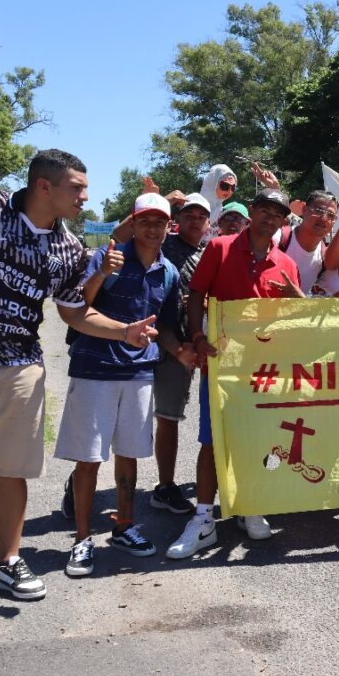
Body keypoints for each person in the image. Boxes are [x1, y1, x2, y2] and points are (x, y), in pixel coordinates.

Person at [0, 150, 158, 617]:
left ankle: (8, 561)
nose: (85, 197)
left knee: (13, 471)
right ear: (44, 185)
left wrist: (124, 331)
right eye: (77, 188)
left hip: (21, 370)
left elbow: (75, 312)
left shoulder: (68, 249)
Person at [165, 188, 305, 559]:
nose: (270, 218)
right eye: (265, 210)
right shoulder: (219, 247)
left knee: (258, 439)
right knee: (212, 440)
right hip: (221, 363)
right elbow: (197, 294)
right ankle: (203, 518)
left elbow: (296, 321)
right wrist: (197, 336)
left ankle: (249, 504)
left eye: (278, 214)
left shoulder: (286, 264)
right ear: (252, 211)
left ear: (283, 221)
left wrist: (299, 300)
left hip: (263, 369)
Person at [55, 194, 184, 577]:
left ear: (168, 227)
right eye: (145, 220)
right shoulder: (108, 257)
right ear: (134, 222)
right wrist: (100, 272)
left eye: (160, 222)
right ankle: (82, 539)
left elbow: (166, 326)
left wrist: (182, 352)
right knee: (89, 458)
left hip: (139, 372)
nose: (152, 228)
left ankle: (124, 526)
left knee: (129, 454)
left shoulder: (169, 272)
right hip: (95, 369)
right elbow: (79, 305)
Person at [144, 192, 212, 515]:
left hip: (191, 343)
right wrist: (159, 199)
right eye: (189, 215)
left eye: (201, 217)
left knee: (176, 416)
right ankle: (164, 486)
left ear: (208, 222)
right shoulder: (163, 243)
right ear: (177, 219)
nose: (195, 221)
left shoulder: (208, 252)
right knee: (148, 416)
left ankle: (171, 485)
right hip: (158, 340)